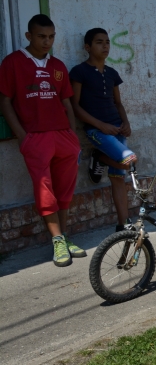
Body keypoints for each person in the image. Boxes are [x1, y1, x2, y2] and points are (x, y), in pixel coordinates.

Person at [0, 14, 84, 267]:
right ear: (28, 36)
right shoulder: (13, 62)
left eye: (51, 37)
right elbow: (4, 101)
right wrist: (23, 137)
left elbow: (66, 101)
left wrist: (72, 134)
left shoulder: (57, 65)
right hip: (35, 137)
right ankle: (56, 240)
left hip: (63, 137)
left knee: (65, 190)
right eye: (41, 36)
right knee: (44, 189)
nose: (47, 41)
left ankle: (64, 234)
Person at [69, 28, 137, 232]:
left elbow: (118, 103)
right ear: (87, 47)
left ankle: (123, 225)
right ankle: (99, 157)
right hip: (97, 132)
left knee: (118, 179)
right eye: (99, 42)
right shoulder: (79, 72)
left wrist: (126, 123)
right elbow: (75, 106)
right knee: (130, 161)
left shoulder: (112, 74)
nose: (105, 45)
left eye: (107, 42)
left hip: (117, 130)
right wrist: (100, 126)